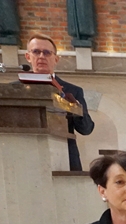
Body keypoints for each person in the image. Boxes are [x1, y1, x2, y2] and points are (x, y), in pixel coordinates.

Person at [24, 34, 94, 171]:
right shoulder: (14, 89)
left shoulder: (73, 90)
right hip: (27, 157)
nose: (41, 56)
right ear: (28, 56)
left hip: (65, 157)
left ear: (56, 59)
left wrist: (76, 109)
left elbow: (86, 129)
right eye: (36, 52)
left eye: (47, 52)